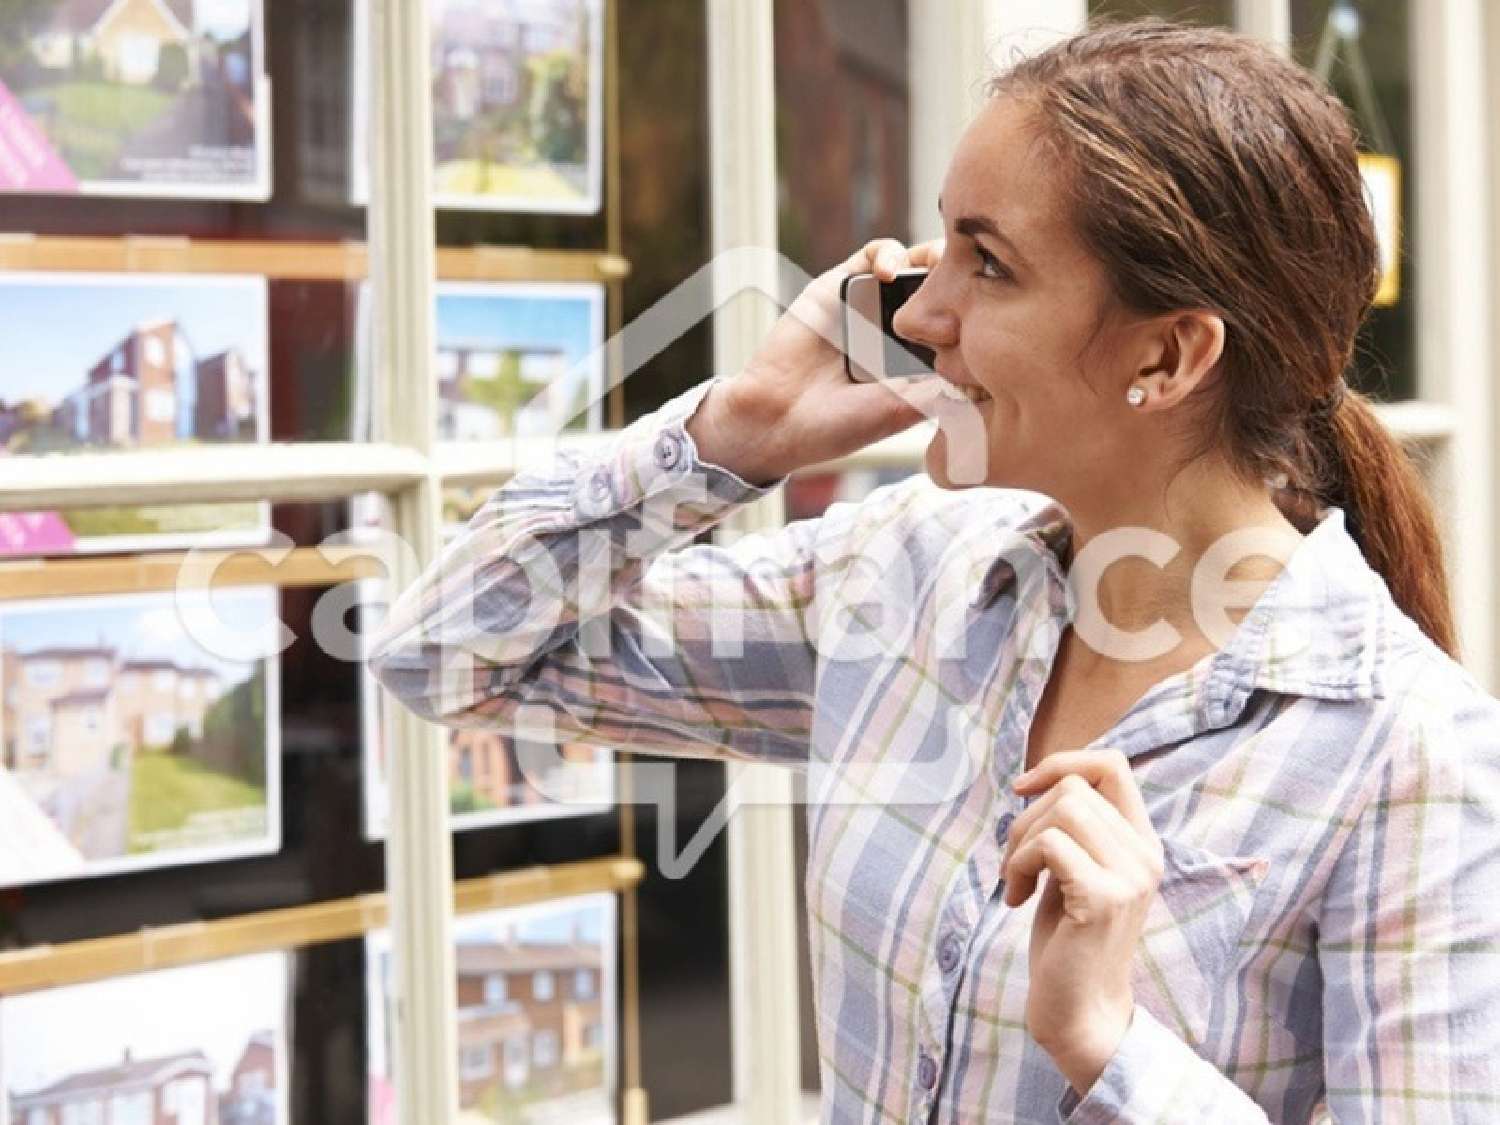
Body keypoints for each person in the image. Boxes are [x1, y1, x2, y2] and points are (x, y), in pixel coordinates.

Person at [370, 19, 1500, 1123]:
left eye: (988, 264)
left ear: (1167, 354)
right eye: (940, 245)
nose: (920, 312)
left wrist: (1111, 1048)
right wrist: (732, 436)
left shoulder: (1406, 755)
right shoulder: (903, 575)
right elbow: (447, 652)